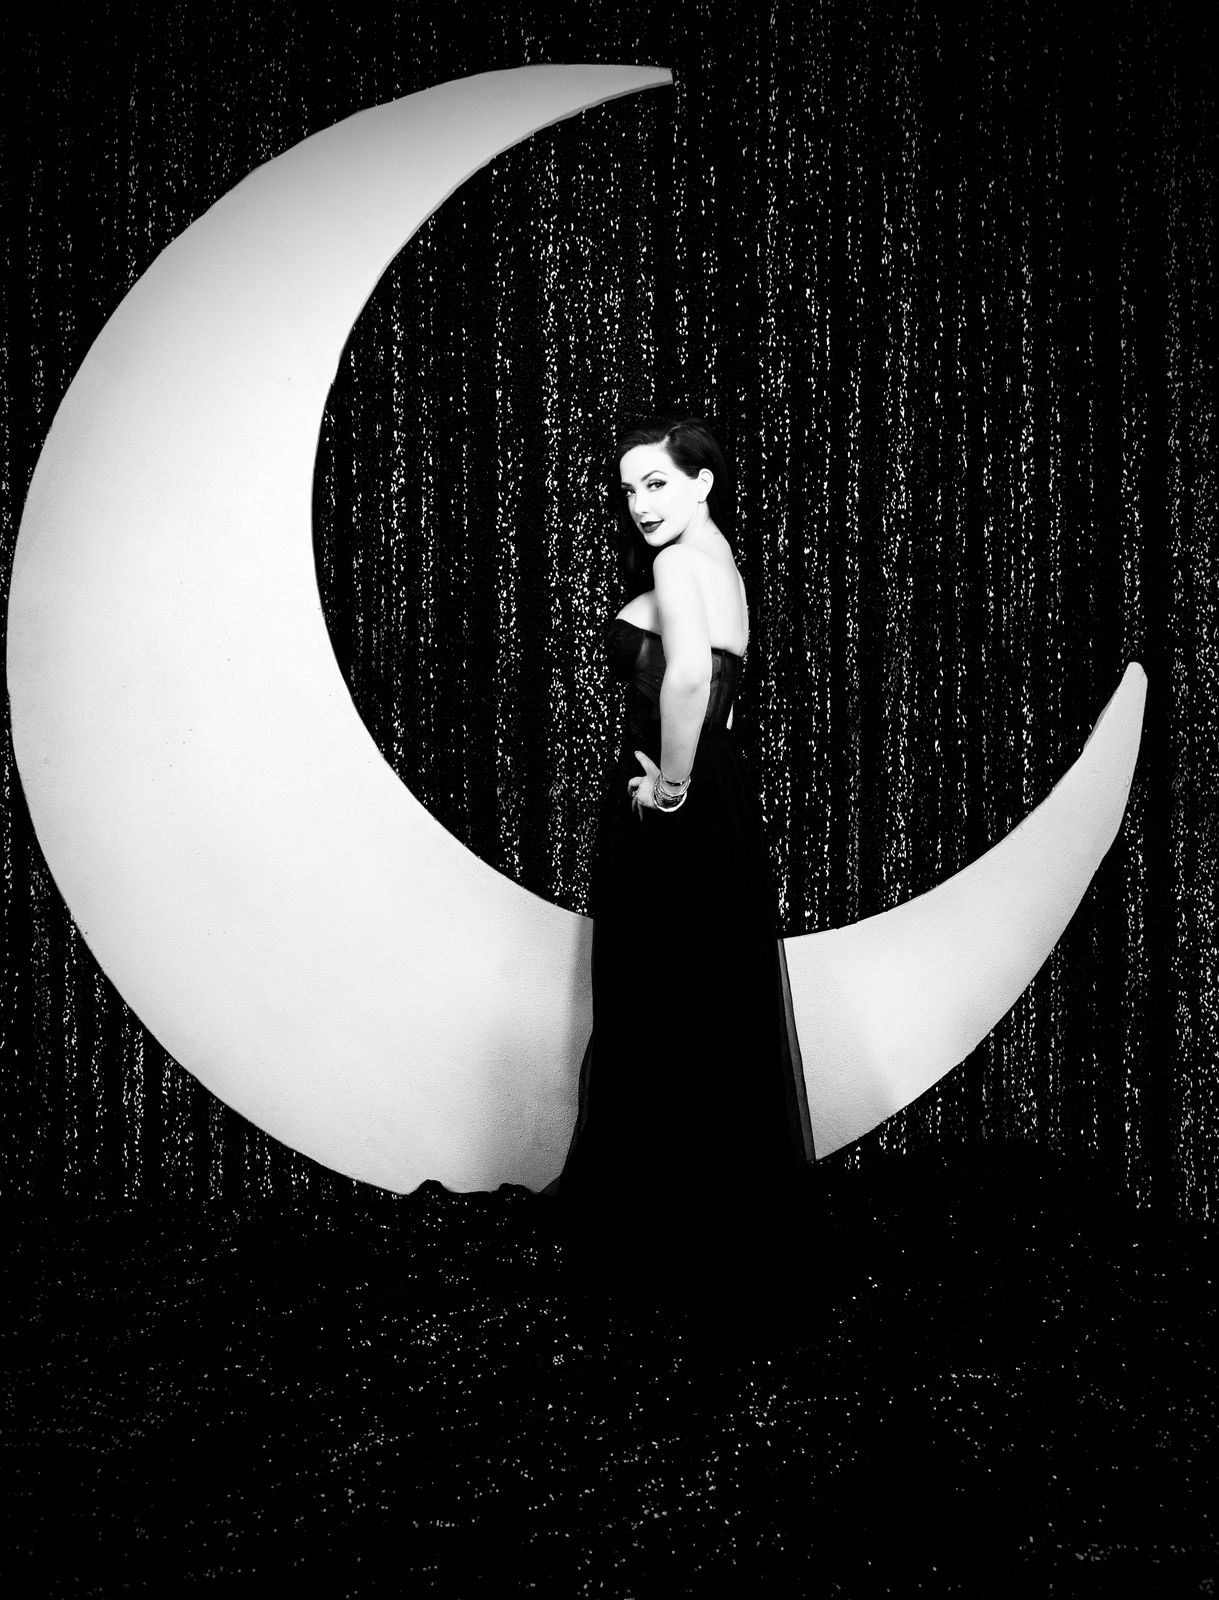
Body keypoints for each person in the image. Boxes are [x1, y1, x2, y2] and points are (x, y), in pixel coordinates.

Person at [544, 417, 814, 1295]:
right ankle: (707, 1217)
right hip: (720, 790)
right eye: (629, 489)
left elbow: (692, 678)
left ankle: (655, 1228)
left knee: (654, 989)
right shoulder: (721, 564)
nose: (640, 504)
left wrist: (668, 789)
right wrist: (698, 780)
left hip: (681, 794)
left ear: (702, 481)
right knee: (701, 990)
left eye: (656, 482)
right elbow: (722, 692)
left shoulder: (674, 567)